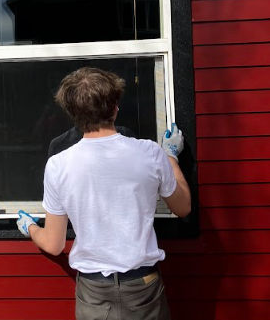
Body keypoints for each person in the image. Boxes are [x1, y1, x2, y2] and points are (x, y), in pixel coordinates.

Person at [17, 67, 191, 320]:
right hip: (143, 287)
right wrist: (171, 157)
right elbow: (183, 207)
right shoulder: (150, 153)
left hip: (93, 292)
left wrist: (29, 227)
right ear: (115, 107)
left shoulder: (58, 164)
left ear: (72, 114)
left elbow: (53, 245)